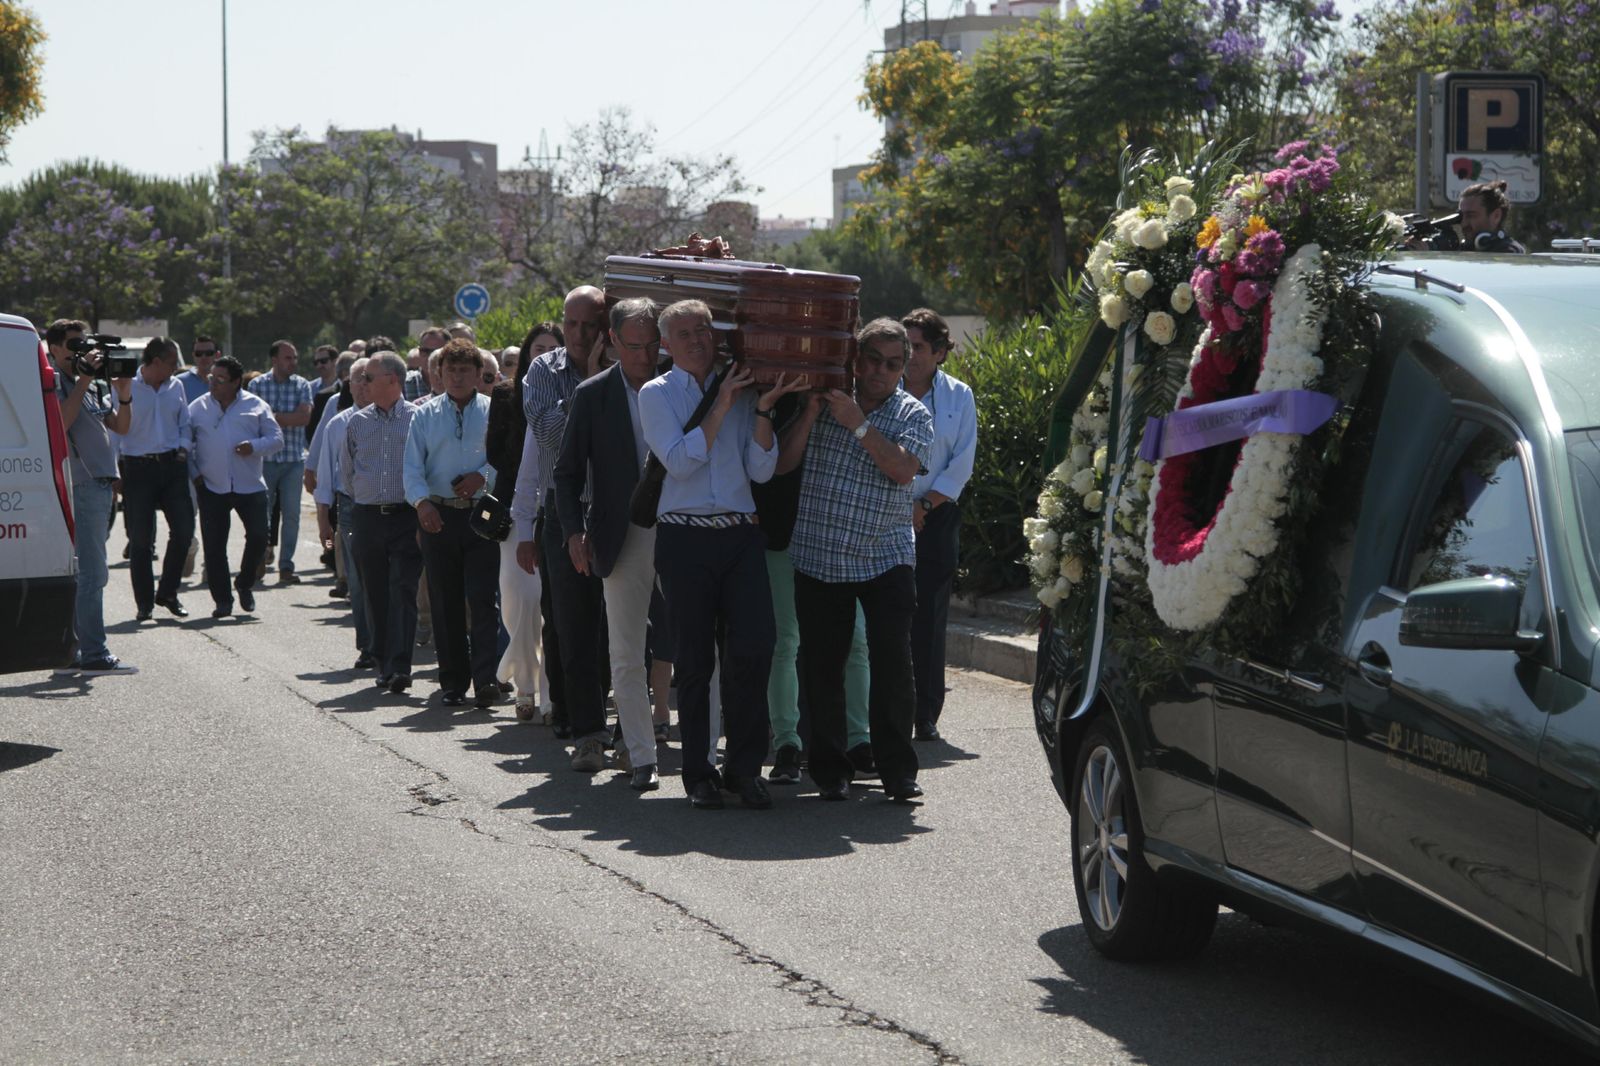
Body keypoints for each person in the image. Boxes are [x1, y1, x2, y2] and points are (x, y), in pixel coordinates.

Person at [639, 299, 802, 810]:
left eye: (703, 330)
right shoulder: (656, 393)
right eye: (683, 333)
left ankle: (745, 767)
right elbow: (681, 462)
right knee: (693, 659)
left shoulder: (742, 384)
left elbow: (760, 470)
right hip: (684, 537)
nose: (695, 340)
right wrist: (723, 405)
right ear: (666, 343)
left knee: (755, 648)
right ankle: (698, 774)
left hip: (739, 534)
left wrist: (760, 410)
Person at [780, 318, 934, 804]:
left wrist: (859, 425)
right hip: (820, 552)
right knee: (822, 667)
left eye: (893, 365)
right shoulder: (825, 399)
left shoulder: (913, 412)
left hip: (885, 554)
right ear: (855, 359)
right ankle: (830, 770)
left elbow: (904, 469)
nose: (880, 372)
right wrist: (809, 413)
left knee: (893, 665)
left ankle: (898, 773)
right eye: (872, 361)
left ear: (903, 370)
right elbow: (783, 464)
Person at [553, 297, 678, 789]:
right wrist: (573, 531)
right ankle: (639, 754)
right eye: (633, 346)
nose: (645, 357)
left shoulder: (681, 387)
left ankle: (704, 753)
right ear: (613, 341)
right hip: (620, 535)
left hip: (683, 529)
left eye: (652, 346)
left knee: (695, 643)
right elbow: (564, 474)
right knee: (626, 649)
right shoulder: (592, 395)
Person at [522, 288, 609, 742]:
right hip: (565, 509)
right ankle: (581, 722)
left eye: (589, 324)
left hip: (614, 510)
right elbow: (551, 434)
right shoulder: (543, 370)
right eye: (571, 324)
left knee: (616, 627)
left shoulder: (625, 367)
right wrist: (589, 384)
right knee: (570, 624)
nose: (579, 334)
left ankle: (607, 711)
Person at [403, 339, 500, 709]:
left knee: (483, 598)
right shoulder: (424, 415)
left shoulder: (493, 411)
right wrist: (422, 503)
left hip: (481, 515)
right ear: (438, 374)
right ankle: (453, 682)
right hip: (439, 516)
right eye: (451, 370)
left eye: (465, 370)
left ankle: (486, 678)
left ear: (478, 375)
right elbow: (411, 467)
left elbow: (506, 458)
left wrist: (482, 476)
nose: (457, 377)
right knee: (445, 602)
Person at [901, 308, 977, 741]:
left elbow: (961, 462)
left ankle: (925, 712)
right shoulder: (878, 391)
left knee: (928, 615)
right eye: (905, 345)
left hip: (937, 516)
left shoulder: (959, 396)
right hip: (886, 512)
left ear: (939, 353)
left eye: (917, 347)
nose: (910, 355)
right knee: (883, 611)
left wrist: (925, 505)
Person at [46, 319, 137, 675]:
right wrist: (82, 380)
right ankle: (93, 653)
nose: (79, 352)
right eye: (72, 345)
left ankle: (72, 650)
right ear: (53, 349)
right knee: (93, 573)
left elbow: (122, 427)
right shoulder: (54, 382)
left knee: (87, 572)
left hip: (100, 485)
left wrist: (124, 391)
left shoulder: (93, 385)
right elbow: (60, 425)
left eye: (83, 344)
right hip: (81, 484)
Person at [489, 324, 559, 723]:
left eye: (553, 349)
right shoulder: (505, 395)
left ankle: (547, 694)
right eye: (539, 348)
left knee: (550, 606)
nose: (545, 355)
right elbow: (495, 453)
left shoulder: (573, 393)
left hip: (555, 509)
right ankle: (523, 687)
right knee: (518, 606)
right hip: (517, 511)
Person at [344, 351, 423, 693]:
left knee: (403, 589)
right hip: (368, 517)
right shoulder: (357, 422)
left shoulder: (419, 419)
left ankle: (401, 666)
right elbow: (348, 474)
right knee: (375, 592)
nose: (362, 385)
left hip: (407, 516)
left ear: (393, 380)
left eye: (369, 378)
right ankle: (384, 662)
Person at [188, 355, 283, 618]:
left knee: (258, 536)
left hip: (249, 485)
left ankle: (244, 583)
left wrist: (254, 446)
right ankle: (223, 601)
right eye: (211, 378)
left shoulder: (256, 405)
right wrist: (194, 475)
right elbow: (185, 444)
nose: (213, 384)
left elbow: (276, 439)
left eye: (220, 380)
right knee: (215, 546)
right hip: (211, 486)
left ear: (236, 382)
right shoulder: (198, 408)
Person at [111, 337, 196, 622]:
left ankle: (168, 592)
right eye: (172, 363)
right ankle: (144, 604)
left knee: (184, 531)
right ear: (156, 362)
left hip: (173, 466)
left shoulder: (177, 386)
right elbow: (113, 431)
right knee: (141, 540)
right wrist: (113, 471)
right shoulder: (126, 386)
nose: (176, 368)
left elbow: (184, 421)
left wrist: (184, 447)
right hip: (137, 469)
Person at [315, 357, 375, 666]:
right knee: (358, 579)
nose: (363, 386)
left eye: (369, 379)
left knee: (389, 578)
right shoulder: (338, 425)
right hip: (350, 507)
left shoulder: (400, 418)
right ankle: (367, 646)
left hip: (388, 505)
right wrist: (324, 520)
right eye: (357, 380)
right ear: (349, 386)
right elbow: (325, 476)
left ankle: (387, 642)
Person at [247, 339, 314, 585]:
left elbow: (304, 417)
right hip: (265, 460)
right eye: (288, 358)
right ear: (274, 360)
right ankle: (259, 559)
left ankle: (286, 565)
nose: (293, 362)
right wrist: (285, 418)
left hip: (294, 460)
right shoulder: (257, 385)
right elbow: (253, 421)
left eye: (294, 357)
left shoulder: (302, 385)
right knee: (261, 514)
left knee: (292, 514)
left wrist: (273, 418)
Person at [1458, 180, 1527, 253]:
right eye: (1461, 216)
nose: (1463, 223)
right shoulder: (1466, 248)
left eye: (1470, 215)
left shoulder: (1509, 252)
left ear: (1496, 216)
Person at [176, 336, 220, 403]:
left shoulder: (225, 381)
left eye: (208, 353)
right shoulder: (180, 382)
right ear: (193, 355)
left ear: (217, 355)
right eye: (198, 353)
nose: (203, 357)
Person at [404, 328, 445, 402]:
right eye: (424, 351)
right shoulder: (403, 384)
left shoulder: (458, 384)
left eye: (436, 351)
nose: (430, 356)